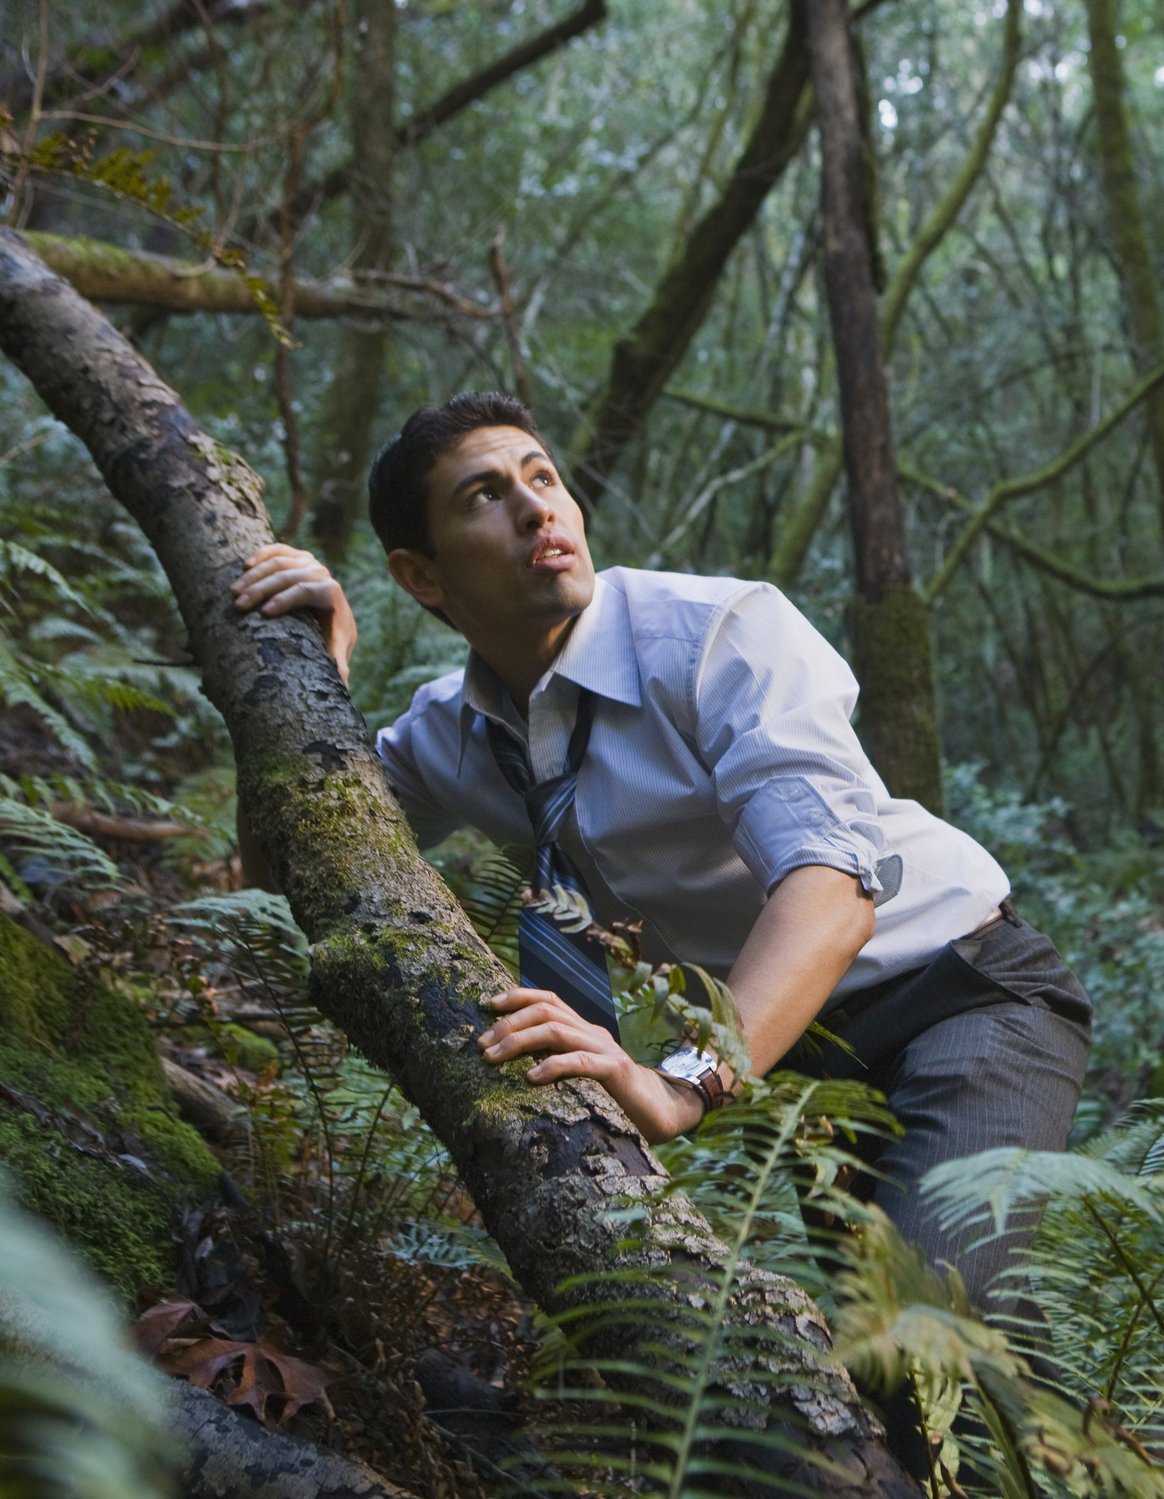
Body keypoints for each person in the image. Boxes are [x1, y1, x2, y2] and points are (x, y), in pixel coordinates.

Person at [232, 391, 1091, 1307]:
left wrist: (683, 1084)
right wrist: (310, 682)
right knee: (893, 1372)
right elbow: (294, 872)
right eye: (484, 495)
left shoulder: (715, 637)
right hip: (800, 1051)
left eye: (544, 477)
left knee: (938, 1321)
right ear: (422, 576)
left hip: (957, 989)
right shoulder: (451, 734)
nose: (537, 509)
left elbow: (833, 887)